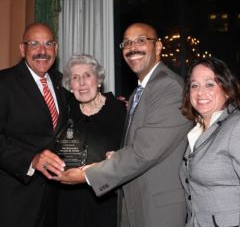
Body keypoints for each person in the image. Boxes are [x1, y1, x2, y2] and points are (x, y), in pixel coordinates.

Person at [54, 23, 192, 227]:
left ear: (159, 46)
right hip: (133, 202)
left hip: (158, 207)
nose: (132, 47)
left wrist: (88, 175)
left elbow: (144, 152)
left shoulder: (168, 86)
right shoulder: (138, 92)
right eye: (127, 43)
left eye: (140, 40)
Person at [0, 23, 68, 227]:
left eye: (48, 44)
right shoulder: (4, 83)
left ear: (56, 48)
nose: (42, 51)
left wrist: (111, 104)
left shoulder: (62, 82)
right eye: (34, 44)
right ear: (23, 49)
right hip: (14, 201)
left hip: (54, 201)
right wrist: (32, 160)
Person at [57, 54, 126, 227]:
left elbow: (132, 155)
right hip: (67, 203)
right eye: (75, 78)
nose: (81, 83)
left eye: (87, 75)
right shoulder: (64, 111)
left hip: (106, 203)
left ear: (99, 80)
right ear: (70, 86)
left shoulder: (120, 111)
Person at [180, 56, 240, 227]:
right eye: (194, 85)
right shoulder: (197, 132)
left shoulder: (236, 126)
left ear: (227, 90)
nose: (200, 92)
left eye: (209, 84)